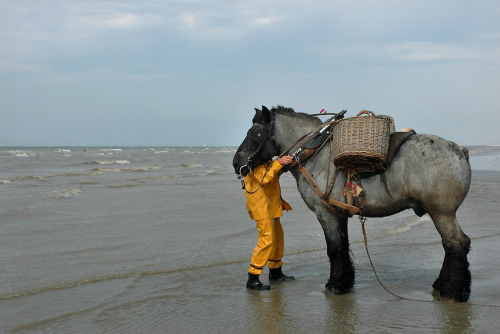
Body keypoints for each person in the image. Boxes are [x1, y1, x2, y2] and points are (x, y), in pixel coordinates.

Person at [244, 155, 296, 290]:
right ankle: (253, 277)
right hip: (260, 205)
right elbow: (264, 179)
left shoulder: (265, 161)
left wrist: (284, 165)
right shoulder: (254, 161)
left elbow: (273, 175)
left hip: (270, 204)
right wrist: (278, 163)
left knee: (278, 238)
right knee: (266, 239)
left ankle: (276, 272)